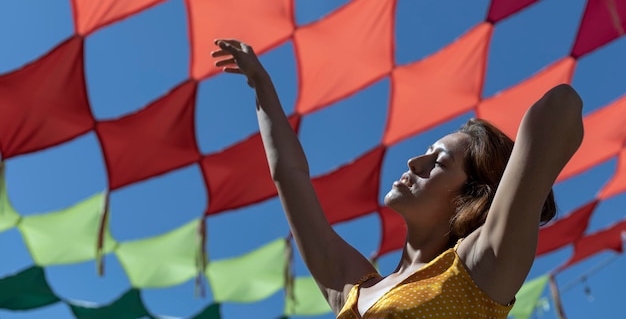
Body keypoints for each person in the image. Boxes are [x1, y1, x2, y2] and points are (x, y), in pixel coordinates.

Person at [211, 39, 584, 319]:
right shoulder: (355, 290)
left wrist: (512, 198)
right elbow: (289, 177)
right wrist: (262, 86)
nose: (413, 161)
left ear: (471, 195)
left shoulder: (481, 267)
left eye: (437, 162)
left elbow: (561, 107)